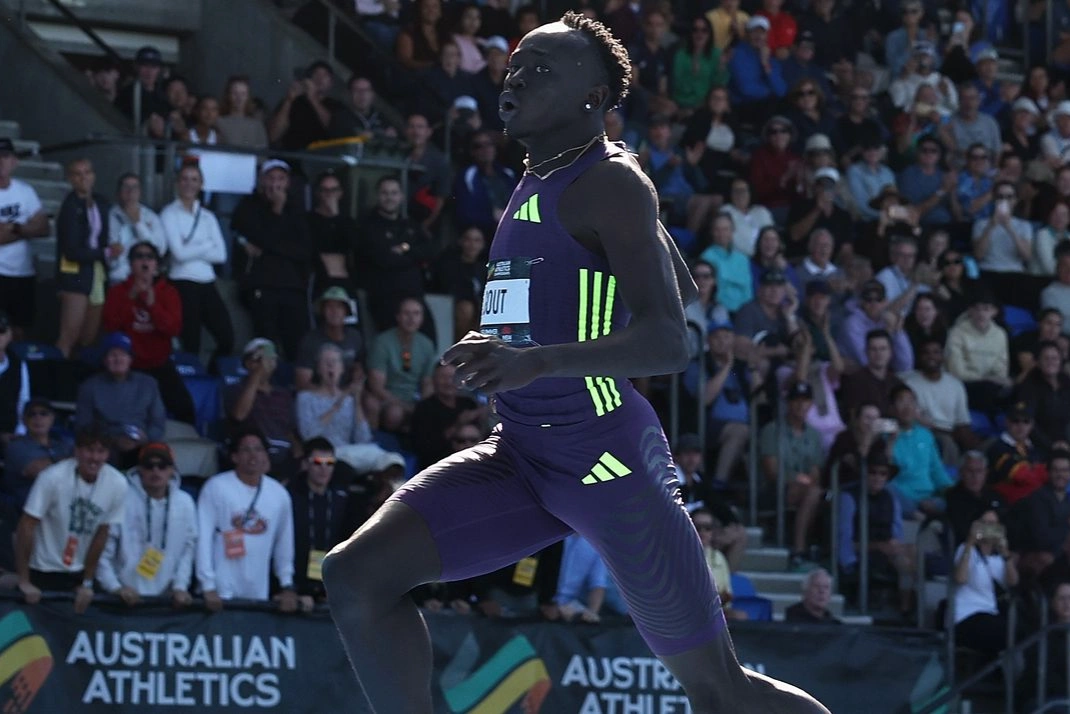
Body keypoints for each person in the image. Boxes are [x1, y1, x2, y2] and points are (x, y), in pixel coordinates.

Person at [323, 13, 829, 714]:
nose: (517, 77)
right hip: (523, 453)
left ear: (594, 97)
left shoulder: (608, 182)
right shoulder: (549, 174)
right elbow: (670, 282)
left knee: (720, 693)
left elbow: (673, 339)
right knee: (356, 576)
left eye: (542, 70)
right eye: (515, 65)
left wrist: (533, 363)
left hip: (605, 461)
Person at [15, 425, 128, 613]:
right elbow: (26, 525)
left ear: (107, 454)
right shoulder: (51, 477)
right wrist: (24, 580)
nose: (94, 458)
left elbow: (102, 533)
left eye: (101, 451)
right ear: (77, 451)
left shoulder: (117, 483)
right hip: (42, 569)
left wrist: (87, 582)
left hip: (78, 572)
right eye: (89, 450)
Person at [195, 428, 297, 611]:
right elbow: (203, 537)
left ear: (266, 455)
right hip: (220, 592)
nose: (253, 455)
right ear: (234, 456)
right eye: (246, 449)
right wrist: (207, 585)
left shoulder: (279, 494)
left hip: (258, 592)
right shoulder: (216, 487)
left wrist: (286, 584)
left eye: (258, 449)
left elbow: (284, 544)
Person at [101, 241, 195, 426]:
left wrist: (153, 306)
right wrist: (131, 298)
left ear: (156, 265)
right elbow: (110, 326)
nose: (145, 261)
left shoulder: (169, 292)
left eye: (149, 257)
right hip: (127, 366)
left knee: (185, 409)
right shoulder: (117, 292)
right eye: (139, 256)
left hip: (158, 363)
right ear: (130, 263)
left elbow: (173, 329)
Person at [95, 443, 197, 607]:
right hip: (121, 599)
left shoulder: (185, 502)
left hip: (167, 600)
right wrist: (115, 588)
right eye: (149, 466)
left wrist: (180, 586)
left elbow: (188, 549)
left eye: (162, 466)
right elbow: (104, 548)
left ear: (172, 470)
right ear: (140, 469)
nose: (155, 471)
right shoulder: (121, 498)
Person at [231, 160, 313, 361]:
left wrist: (271, 246)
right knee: (265, 344)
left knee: (298, 346)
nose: (275, 184)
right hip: (262, 285)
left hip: (293, 287)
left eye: (280, 178)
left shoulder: (297, 210)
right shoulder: (248, 206)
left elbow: (304, 250)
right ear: (261, 180)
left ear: (288, 183)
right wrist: (276, 212)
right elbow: (257, 235)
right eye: (271, 178)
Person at [160, 163, 233, 368]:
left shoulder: (208, 216)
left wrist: (192, 245)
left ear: (201, 184)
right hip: (182, 282)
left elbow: (221, 255)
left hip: (207, 282)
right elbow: (179, 254)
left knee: (226, 337)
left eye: (194, 179)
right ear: (177, 182)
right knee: (191, 342)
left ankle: (209, 377)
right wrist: (205, 245)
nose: (189, 184)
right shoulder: (169, 213)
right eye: (184, 178)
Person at [838, 447, 916, 615]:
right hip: (860, 554)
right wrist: (852, 565)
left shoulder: (891, 498)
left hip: (887, 553)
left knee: (914, 553)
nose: (877, 478)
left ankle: (907, 609)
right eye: (872, 472)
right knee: (903, 560)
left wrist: (894, 546)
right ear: (863, 472)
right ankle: (905, 609)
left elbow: (897, 533)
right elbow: (843, 542)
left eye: (882, 473)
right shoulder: (849, 497)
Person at [759, 381, 825, 570]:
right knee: (813, 492)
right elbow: (772, 472)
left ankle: (811, 548)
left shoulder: (813, 434)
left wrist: (805, 481)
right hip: (773, 490)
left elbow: (815, 472)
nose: (800, 405)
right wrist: (799, 479)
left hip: (804, 489)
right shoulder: (772, 429)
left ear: (811, 404)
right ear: (788, 403)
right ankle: (799, 548)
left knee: (817, 492)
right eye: (796, 400)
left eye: (805, 401)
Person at [75, 332, 166, 468]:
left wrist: (144, 438)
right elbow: (83, 426)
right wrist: (112, 440)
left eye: (123, 354)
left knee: (159, 460)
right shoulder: (89, 387)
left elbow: (158, 421)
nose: (118, 359)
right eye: (112, 355)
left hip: (142, 442)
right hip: (104, 445)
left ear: (130, 359)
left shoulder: (148, 384)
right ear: (105, 360)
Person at [56, 158, 110, 358]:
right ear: (70, 179)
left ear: (93, 176)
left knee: (89, 337)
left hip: (97, 272)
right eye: (78, 174)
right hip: (75, 273)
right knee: (68, 336)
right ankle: (59, 381)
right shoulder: (70, 207)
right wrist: (104, 253)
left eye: (87, 172)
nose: (83, 177)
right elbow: (71, 251)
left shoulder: (101, 203)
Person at [224, 339, 300, 476]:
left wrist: (297, 450)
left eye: (271, 358)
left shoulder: (283, 394)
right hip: (253, 454)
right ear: (248, 363)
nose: (266, 363)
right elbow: (239, 415)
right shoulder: (235, 389)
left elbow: (290, 430)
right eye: (259, 359)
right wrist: (257, 374)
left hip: (283, 454)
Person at [951, 509, 1019, 662]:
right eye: (984, 523)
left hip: (991, 613)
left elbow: (1013, 582)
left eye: (993, 524)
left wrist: (1006, 553)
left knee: (1020, 628)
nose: (989, 527)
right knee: (1007, 631)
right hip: (967, 615)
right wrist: (970, 542)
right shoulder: (965, 549)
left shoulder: (1000, 557)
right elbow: (960, 578)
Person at [290, 438, 351, 605]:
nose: (324, 469)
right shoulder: (290, 497)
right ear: (305, 464)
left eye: (329, 463)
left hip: (329, 585)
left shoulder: (342, 499)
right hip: (295, 584)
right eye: (317, 462)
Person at [0, 138, 49, 340]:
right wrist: (27, 227)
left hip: (23, 273)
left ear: (14, 161)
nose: (0, 162)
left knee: (20, 332)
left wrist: (14, 228)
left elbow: (45, 228)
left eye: (5, 156)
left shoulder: (25, 191)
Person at [364, 298, 437, 432]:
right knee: (395, 414)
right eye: (406, 313)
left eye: (416, 314)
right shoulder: (382, 342)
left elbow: (428, 382)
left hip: (415, 398)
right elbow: (376, 386)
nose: (411, 318)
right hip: (387, 398)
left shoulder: (427, 344)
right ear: (398, 317)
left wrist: (424, 407)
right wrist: (404, 406)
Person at [887, 384, 954, 518]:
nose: (907, 407)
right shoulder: (885, 437)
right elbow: (884, 473)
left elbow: (936, 470)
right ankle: (914, 513)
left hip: (929, 497)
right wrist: (891, 441)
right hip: (903, 497)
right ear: (892, 408)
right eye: (901, 401)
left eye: (911, 401)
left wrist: (952, 491)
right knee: (886, 490)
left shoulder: (926, 435)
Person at [410, 363, 482, 470]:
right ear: (434, 381)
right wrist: (459, 424)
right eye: (443, 378)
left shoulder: (468, 404)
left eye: (452, 378)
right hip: (440, 466)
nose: (448, 382)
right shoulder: (424, 408)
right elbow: (426, 447)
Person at [295, 287, 365, 392]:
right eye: (329, 307)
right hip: (318, 395)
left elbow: (359, 366)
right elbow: (302, 382)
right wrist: (329, 394)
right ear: (322, 311)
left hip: (348, 394)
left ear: (346, 312)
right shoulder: (310, 340)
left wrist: (357, 374)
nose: (334, 311)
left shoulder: (355, 336)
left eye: (339, 307)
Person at [106, 173, 166, 285]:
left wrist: (138, 224)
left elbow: (160, 249)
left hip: (145, 278)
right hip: (119, 277)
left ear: (140, 192)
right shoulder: (110, 215)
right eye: (126, 187)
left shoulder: (150, 216)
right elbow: (108, 250)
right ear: (119, 192)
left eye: (134, 187)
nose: (130, 192)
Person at [307, 171, 358, 297]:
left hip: (344, 279)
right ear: (318, 193)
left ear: (340, 193)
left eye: (334, 190)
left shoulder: (347, 221)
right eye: (325, 190)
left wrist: (335, 216)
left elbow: (354, 244)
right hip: (320, 279)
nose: (329, 194)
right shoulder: (308, 219)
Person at [692, 508, 747, 621]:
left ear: (713, 532)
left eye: (707, 528)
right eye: (697, 528)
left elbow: (727, 594)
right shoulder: (679, 556)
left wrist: (722, 597)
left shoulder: (719, 558)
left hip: (716, 611)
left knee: (741, 616)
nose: (702, 532)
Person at [946, 451, 1006, 546]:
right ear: (961, 473)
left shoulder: (994, 495)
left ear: (986, 473)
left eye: (979, 471)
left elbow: (1009, 525)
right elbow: (964, 532)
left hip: (999, 550)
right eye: (970, 471)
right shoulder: (953, 498)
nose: (975, 477)